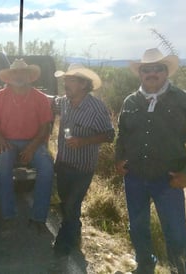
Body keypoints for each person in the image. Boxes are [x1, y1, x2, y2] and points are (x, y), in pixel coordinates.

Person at [115, 48, 186, 274]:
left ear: (166, 72)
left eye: (158, 69)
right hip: (134, 177)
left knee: (175, 232)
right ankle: (144, 266)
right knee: (137, 227)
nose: (152, 73)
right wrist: (119, 159)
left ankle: (181, 271)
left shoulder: (185, 101)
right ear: (140, 73)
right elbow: (122, 134)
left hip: (169, 180)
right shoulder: (130, 101)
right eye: (147, 69)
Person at [0, 59, 54, 237]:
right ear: (9, 77)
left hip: (34, 141)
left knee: (47, 167)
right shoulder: (0, 95)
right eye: (15, 73)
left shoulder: (40, 98)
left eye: (23, 73)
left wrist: (31, 148)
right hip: (7, 141)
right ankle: (9, 217)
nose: (19, 76)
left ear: (30, 76)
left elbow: (45, 127)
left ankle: (39, 218)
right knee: (3, 168)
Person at [52, 64, 114, 256]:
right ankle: (75, 233)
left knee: (72, 204)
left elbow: (110, 135)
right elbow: (45, 101)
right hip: (62, 164)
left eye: (70, 80)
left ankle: (64, 243)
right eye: (65, 79)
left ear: (83, 85)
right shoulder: (63, 102)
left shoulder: (96, 107)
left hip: (82, 168)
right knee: (65, 203)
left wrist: (84, 141)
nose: (65, 83)